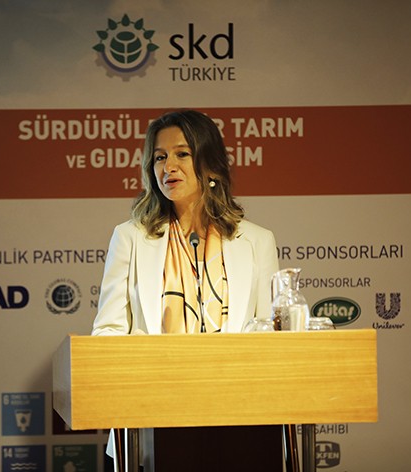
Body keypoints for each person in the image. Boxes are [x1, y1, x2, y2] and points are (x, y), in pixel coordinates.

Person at [91, 109, 280, 470]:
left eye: (182, 154)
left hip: (240, 415)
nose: (169, 167)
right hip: (157, 413)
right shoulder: (130, 238)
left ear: (210, 164)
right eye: (159, 157)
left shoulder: (257, 241)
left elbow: (271, 335)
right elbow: (107, 333)